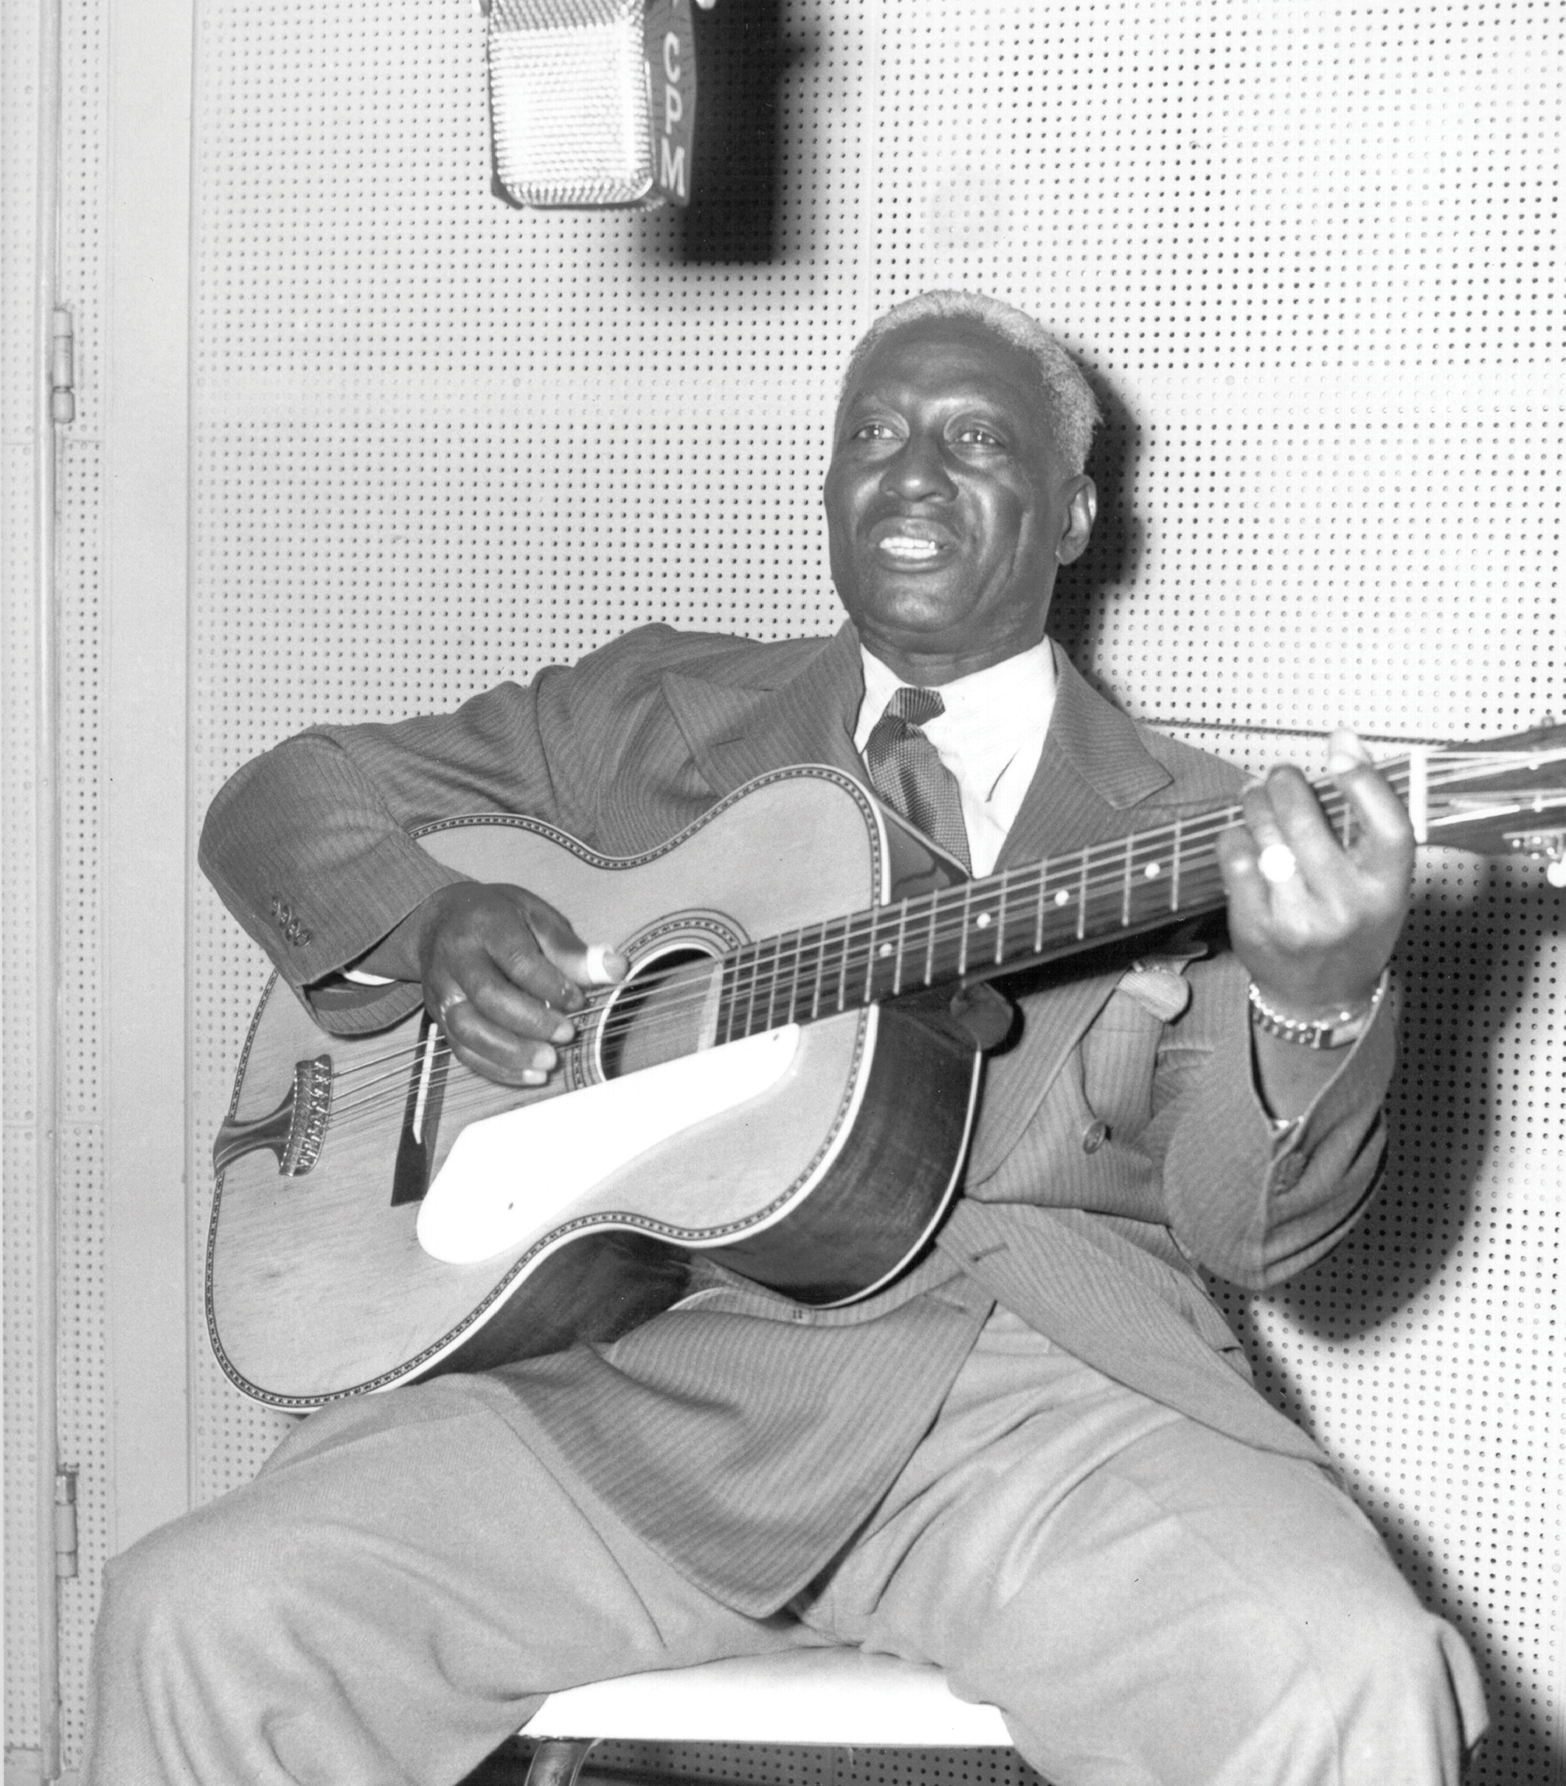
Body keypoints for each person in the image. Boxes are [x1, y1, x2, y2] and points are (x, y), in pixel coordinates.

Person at [86, 291, 1486, 1786]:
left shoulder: (1189, 828)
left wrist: (1317, 994)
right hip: (611, 1381)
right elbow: (284, 804)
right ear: (827, 487)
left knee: (1344, 1674)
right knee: (197, 1615)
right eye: (872, 437)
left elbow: (1255, 1234)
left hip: (1024, 1409)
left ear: (1076, 513)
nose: (912, 475)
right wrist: (429, 918)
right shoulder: (650, 711)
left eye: (974, 440)